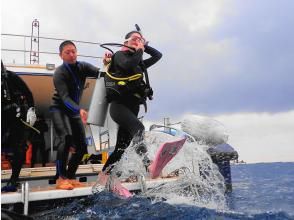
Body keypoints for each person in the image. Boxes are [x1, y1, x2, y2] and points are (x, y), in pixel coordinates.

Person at [97, 30, 162, 186]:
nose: (137, 41)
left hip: (133, 107)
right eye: (134, 39)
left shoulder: (139, 62)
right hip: (119, 106)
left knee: (121, 147)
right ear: (125, 42)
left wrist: (145, 46)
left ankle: (103, 176)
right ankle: (149, 164)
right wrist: (139, 49)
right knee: (139, 128)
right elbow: (128, 64)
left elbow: (158, 56)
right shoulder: (120, 56)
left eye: (140, 39)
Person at [50, 40, 99, 190]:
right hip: (59, 108)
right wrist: (79, 110)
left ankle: (71, 176)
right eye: (67, 52)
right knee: (65, 138)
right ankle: (61, 178)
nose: (72, 55)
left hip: (74, 111)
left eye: (73, 51)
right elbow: (64, 98)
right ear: (61, 55)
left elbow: (101, 73)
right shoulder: (59, 73)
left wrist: (109, 63)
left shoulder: (83, 67)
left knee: (83, 147)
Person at [1, 61, 37, 192]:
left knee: (19, 147)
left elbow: (28, 92)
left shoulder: (11, 77)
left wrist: (32, 109)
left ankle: (14, 179)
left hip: (16, 115)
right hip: (2, 116)